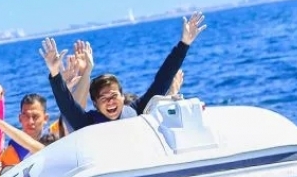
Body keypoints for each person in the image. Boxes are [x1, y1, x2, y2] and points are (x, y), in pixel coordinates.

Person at [42, 12, 207, 131]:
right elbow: (67, 105)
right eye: (104, 98)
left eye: (114, 96)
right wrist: (55, 73)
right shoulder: (87, 123)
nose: (110, 102)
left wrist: (184, 44)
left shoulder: (137, 110)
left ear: (122, 96)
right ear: (95, 104)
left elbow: (162, 79)